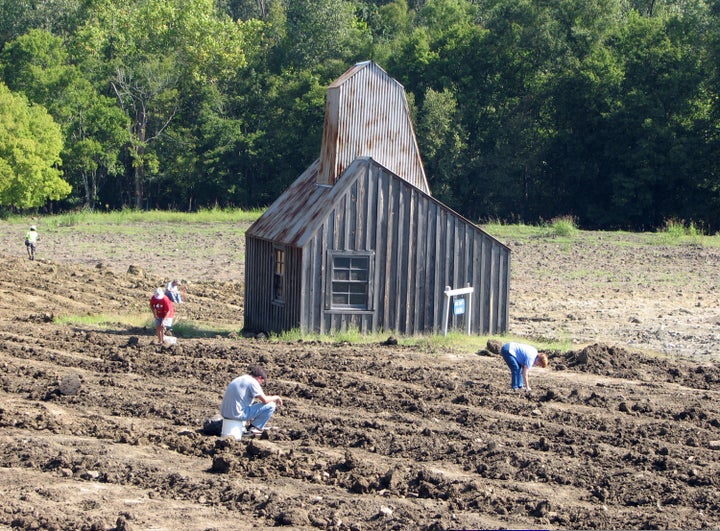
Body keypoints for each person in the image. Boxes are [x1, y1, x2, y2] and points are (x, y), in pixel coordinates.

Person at [220, 366, 283, 435]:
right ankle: (255, 428)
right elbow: (265, 400)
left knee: (250, 403)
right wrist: (276, 397)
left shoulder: (240, 378)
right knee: (271, 405)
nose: (260, 384)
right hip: (236, 414)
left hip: (225, 413)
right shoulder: (253, 382)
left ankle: (246, 426)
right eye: (262, 382)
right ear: (259, 378)